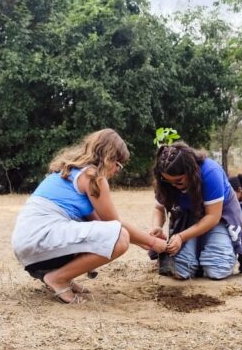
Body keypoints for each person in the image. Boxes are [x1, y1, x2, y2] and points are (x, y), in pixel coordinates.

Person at [11, 129, 167, 304]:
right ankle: (57, 278)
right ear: (109, 157)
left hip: (29, 246)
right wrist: (155, 243)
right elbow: (115, 226)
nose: (117, 170)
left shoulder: (71, 171)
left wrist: (146, 243)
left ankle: (62, 276)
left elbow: (101, 226)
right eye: (118, 164)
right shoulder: (93, 176)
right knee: (119, 238)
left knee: (113, 235)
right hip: (39, 240)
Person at [150, 143, 242, 280]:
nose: (173, 185)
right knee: (181, 270)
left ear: (191, 171)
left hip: (220, 216)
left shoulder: (210, 172)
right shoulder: (165, 182)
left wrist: (181, 237)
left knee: (217, 269)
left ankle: (219, 249)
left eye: (178, 181)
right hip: (190, 215)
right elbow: (159, 208)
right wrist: (156, 227)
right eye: (167, 181)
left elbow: (213, 217)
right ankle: (198, 256)